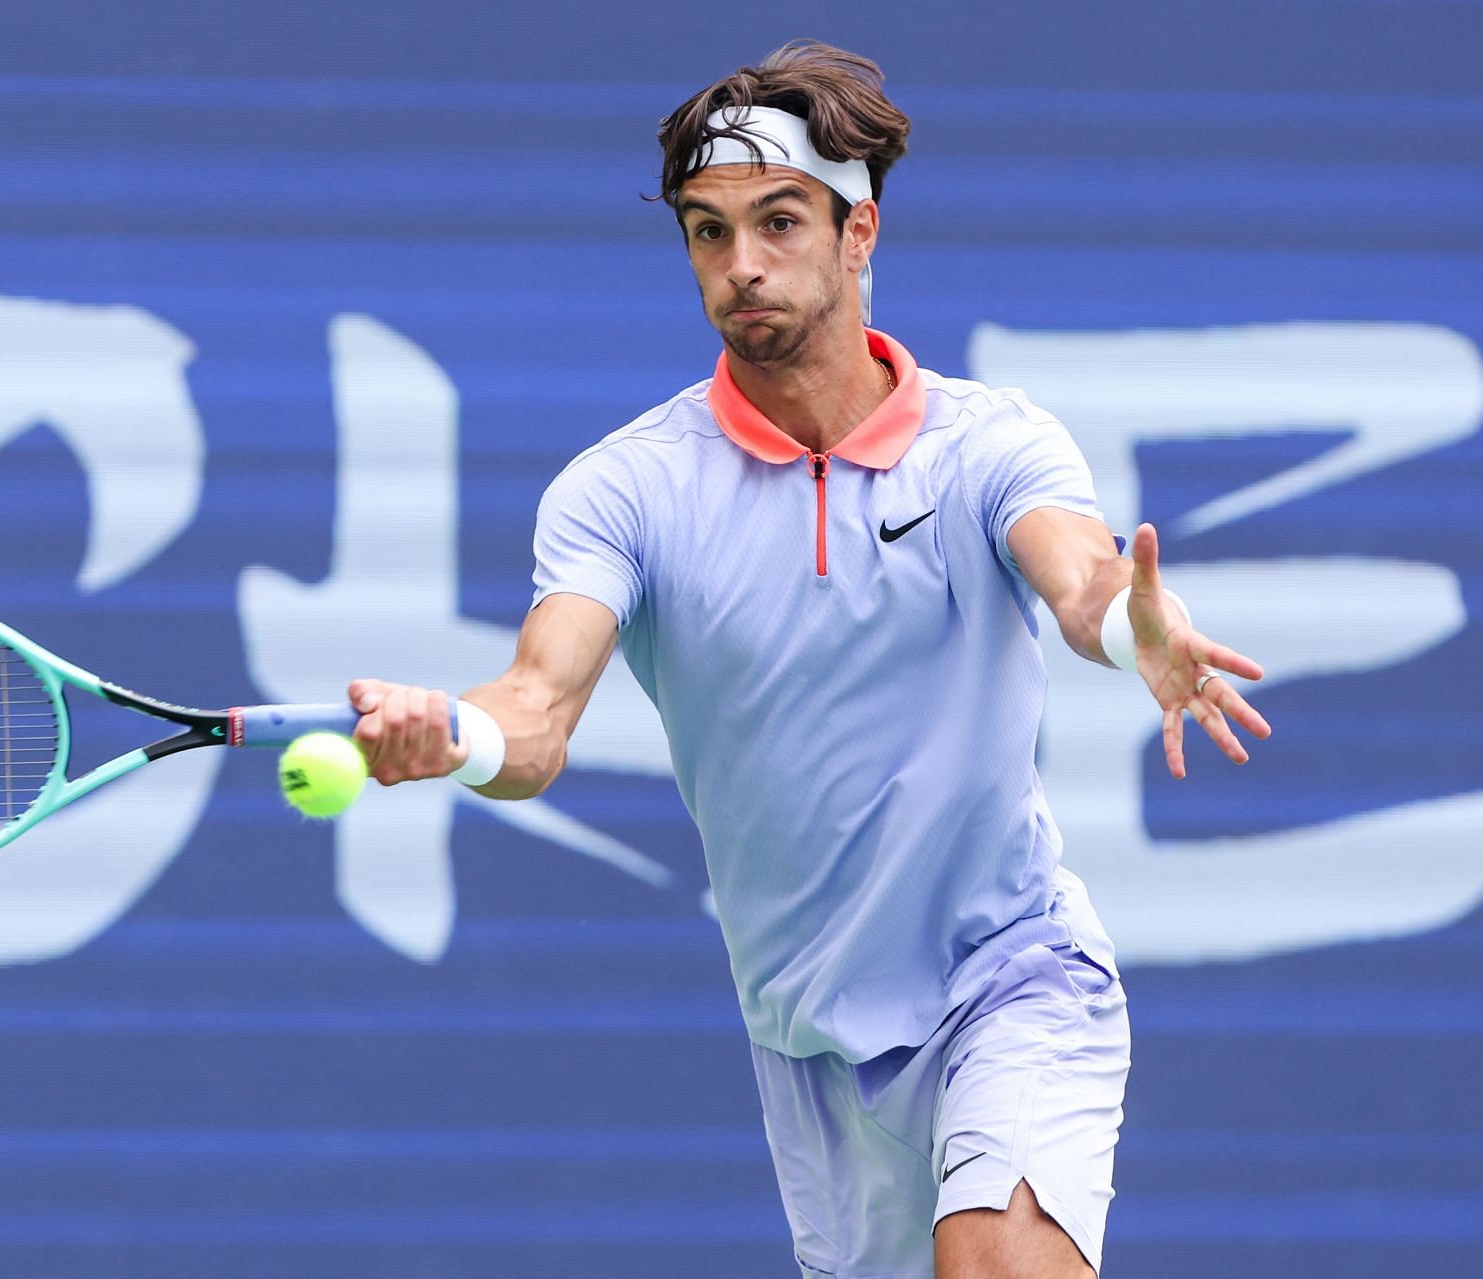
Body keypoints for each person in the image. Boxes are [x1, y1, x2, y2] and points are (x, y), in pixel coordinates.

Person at [348, 40, 1271, 1279]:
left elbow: (1081, 576)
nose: (741, 266)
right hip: (812, 1042)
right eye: (706, 231)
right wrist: (453, 740)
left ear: (859, 231)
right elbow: (537, 704)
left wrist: (1129, 628)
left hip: (1010, 969)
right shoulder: (624, 490)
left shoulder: (988, 445)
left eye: (778, 221)